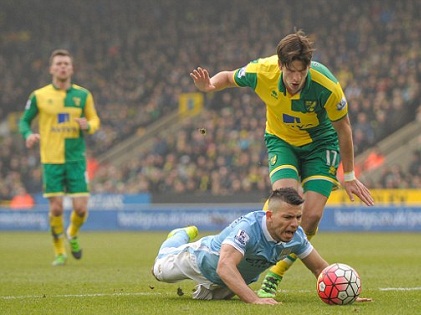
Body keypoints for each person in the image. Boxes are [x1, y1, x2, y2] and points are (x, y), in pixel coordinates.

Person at [190, 30, 374, 297]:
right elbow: (229, 77)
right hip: (281, 142)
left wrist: (349, 175)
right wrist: (210, 87)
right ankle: (242, 259)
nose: (296, 78)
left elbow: (344, 128)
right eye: (290, 71)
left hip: (321, 146)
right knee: (284, 204)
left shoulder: (326, 85)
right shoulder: (262, 71)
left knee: (309, 218)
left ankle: (275, 274)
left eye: (302, 71)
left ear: (308, 67)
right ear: (280, 66)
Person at [152, 188, 372, 304]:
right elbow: (224, 266)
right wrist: (255, 300)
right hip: (200, 261)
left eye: (297, 217)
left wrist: (345, 291)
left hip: (230, 281)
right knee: (159, 272)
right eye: (287, 217)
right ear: (269, 216)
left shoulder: (297, 235)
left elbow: (319, 269)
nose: (294, 223)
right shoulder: (248, 228)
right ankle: (179, 236)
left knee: (205, 301)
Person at [19, 49, 101, 266]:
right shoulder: (39, 96)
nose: (62, 66)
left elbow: (95, 120)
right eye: (59, 63)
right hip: (51, 159)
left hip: (76, 159)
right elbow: (24, 121)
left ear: (71, 68)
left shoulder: (83, 95)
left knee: (81, 208)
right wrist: (28, 134)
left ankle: (72, 233)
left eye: (66, 63)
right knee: (56, 208)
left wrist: (88, 125)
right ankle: (59, 253)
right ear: (51, 69)